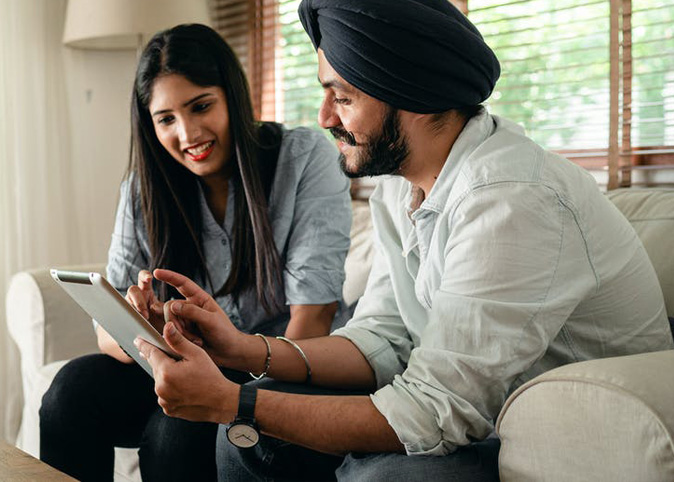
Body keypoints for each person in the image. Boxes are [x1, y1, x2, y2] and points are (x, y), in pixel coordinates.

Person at [131, 1, 673, 480]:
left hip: (553, 433)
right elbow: (384, 339)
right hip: (471, 412)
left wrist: (231, 401)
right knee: (252, 445)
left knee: (379, 474)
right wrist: (241, 347)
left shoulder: (510, 198)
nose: (324, 118)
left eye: (341, 97)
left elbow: (438, 411)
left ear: (408, 94)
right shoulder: (402, 187)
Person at [39, 23, 352, 482]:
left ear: (232, 95)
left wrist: (220, 379)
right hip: (179, 361)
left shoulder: (302, 158)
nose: (187, 133)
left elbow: (313, 320)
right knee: (69, 391)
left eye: (201, 106)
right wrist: (139, 326)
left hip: (271, 365)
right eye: (166, 119)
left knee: (176, 428)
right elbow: (107, 334)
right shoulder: (143, 189)